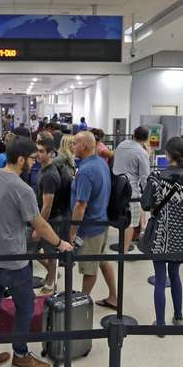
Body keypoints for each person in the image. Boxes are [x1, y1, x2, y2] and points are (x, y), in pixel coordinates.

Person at [0, 138, 73, 367]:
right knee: (26, 305)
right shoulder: (22, 189)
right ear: (20, 160)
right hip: (11, 259)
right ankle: (20, 354)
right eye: (31, 158)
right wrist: (61, 243)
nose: (35, 161)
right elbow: (39, 223)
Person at [140, 137, 183, 332]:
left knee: (159, 277)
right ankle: (179, 316)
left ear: (167, 154)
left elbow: (146, 204)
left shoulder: (157, 177)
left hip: (161, 236)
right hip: (181, 237)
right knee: (175, 275)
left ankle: (160, 324)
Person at [69, 131, 117, 309]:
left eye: (75, 143)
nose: (72, 146)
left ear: (84, 146)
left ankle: (81, 306)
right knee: (102, 261)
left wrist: (73, 231)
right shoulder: (100, 163)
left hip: (90, 229)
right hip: (101, 223)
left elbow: (81, 205)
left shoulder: (86, 171)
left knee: (89, 269)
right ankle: (113, 297)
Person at [35, 138, 72, 293]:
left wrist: (39, 227)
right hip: (47, 219)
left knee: (50, 254)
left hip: (50, 220)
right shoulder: (43, 169)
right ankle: (53, 271)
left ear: (51, 153)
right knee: (35, 251)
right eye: (37, 150)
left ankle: (50, 283)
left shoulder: (49, 175)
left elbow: (47, 205)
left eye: (42, 151)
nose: (37, 154)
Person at [112, 126, 151, 254]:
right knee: (129, 223)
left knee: (121, 218)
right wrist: (148, 195)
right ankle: (123, 253)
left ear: (133, 134)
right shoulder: (141, 153)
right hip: (131, 192)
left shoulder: (121, 145)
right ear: (146, 139)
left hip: (115, 189)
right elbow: (145, 178)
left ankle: (122, 246)